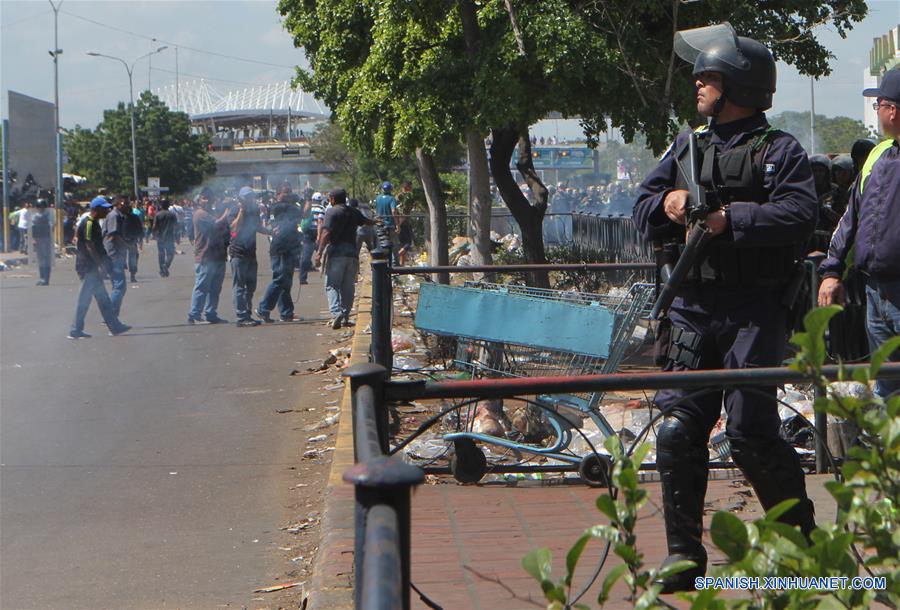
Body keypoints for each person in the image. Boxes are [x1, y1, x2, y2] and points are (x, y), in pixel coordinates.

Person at [632, 23, 817, 592]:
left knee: (750, 432)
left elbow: (799, 213)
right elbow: (640, 208)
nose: (697, 86)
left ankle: (801, 555)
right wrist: (668, 201)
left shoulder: (779, 150)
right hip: (692, 306)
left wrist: (728, 219)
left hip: (753, 310)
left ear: (735, 83)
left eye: (706, 76)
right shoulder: (687, 147)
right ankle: (684, 558)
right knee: (676, 432)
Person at [819, 68, 900, 399]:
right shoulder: (880, 155)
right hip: (875, 292)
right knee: (887, 389)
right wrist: (831, 270)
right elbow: (851, 218)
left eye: (879, 103)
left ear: (892, 109)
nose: (878, 111)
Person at [68, 197, 130, 339]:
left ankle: (114, 326)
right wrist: (100, 264)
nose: (107, 210)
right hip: (88, 266)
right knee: (84, 299)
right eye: (104, 208)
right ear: (96, 209)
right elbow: (90, 245)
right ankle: (75, 329)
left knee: (103, 299)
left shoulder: (94, 223)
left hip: (92, 265)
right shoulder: (89, 223)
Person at [315, 188, 372, 329]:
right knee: (348, 286)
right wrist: (378, 221)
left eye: (329, 198)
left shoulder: (332, 212)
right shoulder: (353, 211)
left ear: (333, 199)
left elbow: (326, 232)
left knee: (332, 285)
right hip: (352, 254)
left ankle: (336, 313)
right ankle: (345, 316)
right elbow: (366, 221)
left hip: (336, 253)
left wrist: (319, 253)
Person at [256, 185, 303, 323]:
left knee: (286, 282)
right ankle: (263, 308)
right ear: (278, 194)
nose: (288, 195)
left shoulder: (286, 207)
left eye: (290, 192)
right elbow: (302, 214)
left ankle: (286, 313)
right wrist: (301, 200)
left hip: (288, 248)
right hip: (281, 248)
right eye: (285, 193)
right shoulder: (280, 207)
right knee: (280, 279)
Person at [229, 186, 271, 327]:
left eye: (251, 196)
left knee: (251, 286)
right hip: (238, 252)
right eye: (247, 197)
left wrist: (271, 232)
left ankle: (247, 313)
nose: (250, 199)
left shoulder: (254, 210)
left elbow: (257, 227)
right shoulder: (235, 210)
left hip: (250, 252)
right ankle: (241, 317)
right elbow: (234, 228)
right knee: (239, 286)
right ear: (241, 198)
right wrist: (241, 211)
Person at [188, 188, 230, 324]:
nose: (207, 200)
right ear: (199, 200)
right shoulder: (200, 214)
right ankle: (194, 315)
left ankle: (211, 313)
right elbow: (216, 224)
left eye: (209, 198)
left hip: (217, 255)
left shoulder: (210, 212)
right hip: (205, 256)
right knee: (202, 287)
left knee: (215, 288)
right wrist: (226, 213)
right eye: (204, 198)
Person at [102, 195, 130, 317]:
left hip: (115, 254)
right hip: (113, 254)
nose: (128, 206)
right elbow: (113, 236)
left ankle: (111, 315)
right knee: (119, 286)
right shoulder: (114, 216)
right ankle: (111, 315)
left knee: (117, 286)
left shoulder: (118, 216)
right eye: (125, 203)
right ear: (119, 204)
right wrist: (127, 245)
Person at [299, 192, 324, 284]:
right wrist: (319, 236)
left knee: (305, 257)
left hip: (307, 234)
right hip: (316, 234)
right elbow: (320, 222)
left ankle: (302, 278)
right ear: (321, 200)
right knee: (323, 255)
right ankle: (327, 276)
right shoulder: (321, 209)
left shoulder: (308, 208)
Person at [31, 199, 55, 285]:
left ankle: (46, 279)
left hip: (46, 239)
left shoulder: (49, 216)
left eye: (42, 207)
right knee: (40, 259)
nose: (40, 208)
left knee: (46, 259)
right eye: (39, 207)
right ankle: (42, 278)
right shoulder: (35, 216)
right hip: (38, 239)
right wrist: (33, 239)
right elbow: (33, 228)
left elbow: (52, 227)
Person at [374, 181, 400, 263]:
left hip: (379, 225)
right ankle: (395, 265)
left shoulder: (378, 198)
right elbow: (393, 211)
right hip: (390, 225)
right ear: (391, 189)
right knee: (394, 245)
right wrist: (397, 225)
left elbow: (376, 211)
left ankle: (383, 263)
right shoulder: (392, 199)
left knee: (382, 245)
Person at [152, 199, 178, 277]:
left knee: (161, 254)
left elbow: (154, 226)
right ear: (168, 206)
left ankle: (162, 270)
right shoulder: (172, 215)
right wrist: (177, 236)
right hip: (169, 237)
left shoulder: (158, 214)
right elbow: (176, 226)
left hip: (160, 237)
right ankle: (166, 266)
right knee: (171, 253)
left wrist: (154, 234)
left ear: (161, 206)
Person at [124, 198, 144, 282]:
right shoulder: (135, 217)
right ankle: (132, 274)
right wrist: (141, 241)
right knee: (133, 257)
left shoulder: (121, 217)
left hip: (122, 240)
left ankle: (125, 270)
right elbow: (140, 229)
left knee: (124, 256)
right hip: (132, 240)